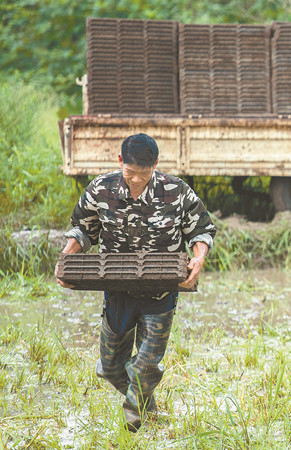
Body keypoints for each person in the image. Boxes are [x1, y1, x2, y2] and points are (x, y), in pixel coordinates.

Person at [55, 133, 216, 432]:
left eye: (145, 174)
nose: (137, 181)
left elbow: (201, 231)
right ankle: (149, 410)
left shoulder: (176, 191)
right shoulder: (100, 189)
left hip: (161, 292)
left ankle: (133, 420)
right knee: (112, 367)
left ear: (155, 164)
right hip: (117, 290)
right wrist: (66, 258)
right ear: (120, 162)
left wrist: (199, 257)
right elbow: (83, 229)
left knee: (147, 364)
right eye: (131, 174)